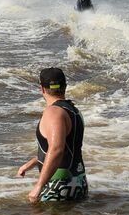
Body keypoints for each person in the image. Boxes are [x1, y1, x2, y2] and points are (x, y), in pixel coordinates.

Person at [17, 67, 88, 202]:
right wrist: (32, 163)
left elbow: (57, 150)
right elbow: (67, 149)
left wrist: (39, 186)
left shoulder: (53, 112)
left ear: (42, 89)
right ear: (65, 87)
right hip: (78, 182)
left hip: (58, 185)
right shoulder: (73, 110)